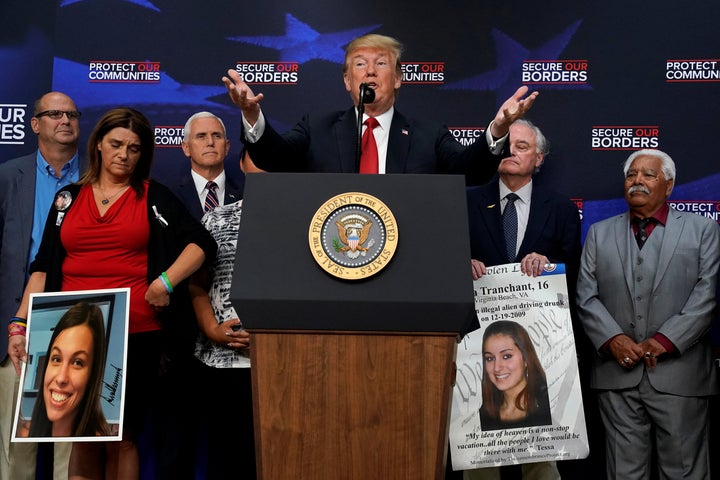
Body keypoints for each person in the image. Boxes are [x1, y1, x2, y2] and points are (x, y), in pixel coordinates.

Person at [7, 107, 217, 479]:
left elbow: (202, 243)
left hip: (133, 335)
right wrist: (19, 324)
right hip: (70, 333)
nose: (124, 154)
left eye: (134, 148)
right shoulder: (67, 199)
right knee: (81, 436)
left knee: (121, 437)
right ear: (99, 146)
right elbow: (42, 268)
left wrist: (165, 282)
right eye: (116, 144)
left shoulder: (153, 196)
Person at [576, 148, 720, 480]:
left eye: (648, 175)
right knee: (623, 473)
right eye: (631, 174)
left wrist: (664, 341)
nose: (637, 181)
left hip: (680, 377)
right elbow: (586, 295)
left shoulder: (703, 230)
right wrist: (613, 340)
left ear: (668, 186)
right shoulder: (599, 233)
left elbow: (706, 296)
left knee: (684, 472)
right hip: (617, 375)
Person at [222, 33, 538, 181]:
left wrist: (497, 129)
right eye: (360, 64)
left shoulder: (428, 134)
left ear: (398, 78)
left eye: (381, 63)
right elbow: (275, 158)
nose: (370, 71)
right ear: (347, 80)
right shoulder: (316, 127)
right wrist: (251, 114)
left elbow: (469, 171)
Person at [465, 119, 581, 480]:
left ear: (539, 158)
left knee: (540, 452)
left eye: (522, 147)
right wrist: (460, 264)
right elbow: (441, 259)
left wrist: (550, 266)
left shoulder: (561, 208)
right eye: (507, 145)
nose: (511, 152)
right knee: (479, 456)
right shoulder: (466, 201)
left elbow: (576, 271)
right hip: (474, 348)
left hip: (541, 347)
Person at [0, 91, 85, 480]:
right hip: (19, 321)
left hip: (81, 317)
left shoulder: (96, 178)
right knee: (18, 444)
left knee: (74, 449)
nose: (65, 120)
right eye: (54, 114)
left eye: (71, 114)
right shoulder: (7, 176)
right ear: (35, 124)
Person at [188, 149, 263, 479]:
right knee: (225, 460)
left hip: (283, 362)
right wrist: (212, 329)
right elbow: (196, 285)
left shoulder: (306, 219)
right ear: (244, 163)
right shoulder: (217, 217)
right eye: (258, 158)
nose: (265, 167)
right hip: (222, 361)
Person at [19, 302, 109, 438]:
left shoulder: (101, 444)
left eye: (77, 363)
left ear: (93, 374)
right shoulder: (25, 434)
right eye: (56, 359)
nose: (61, 378)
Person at [479, 321, 551, 431]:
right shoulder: (481, 417)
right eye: (490, 358)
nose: (496, 368)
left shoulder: (549, 406)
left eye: (507, 356)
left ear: (526, 359)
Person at [174, 111, 243, 219]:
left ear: (227, 147)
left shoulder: (247, 193)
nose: (210, 142)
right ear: (186, 148)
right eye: (201, 136)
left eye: (217, 136)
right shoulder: (170, 195)